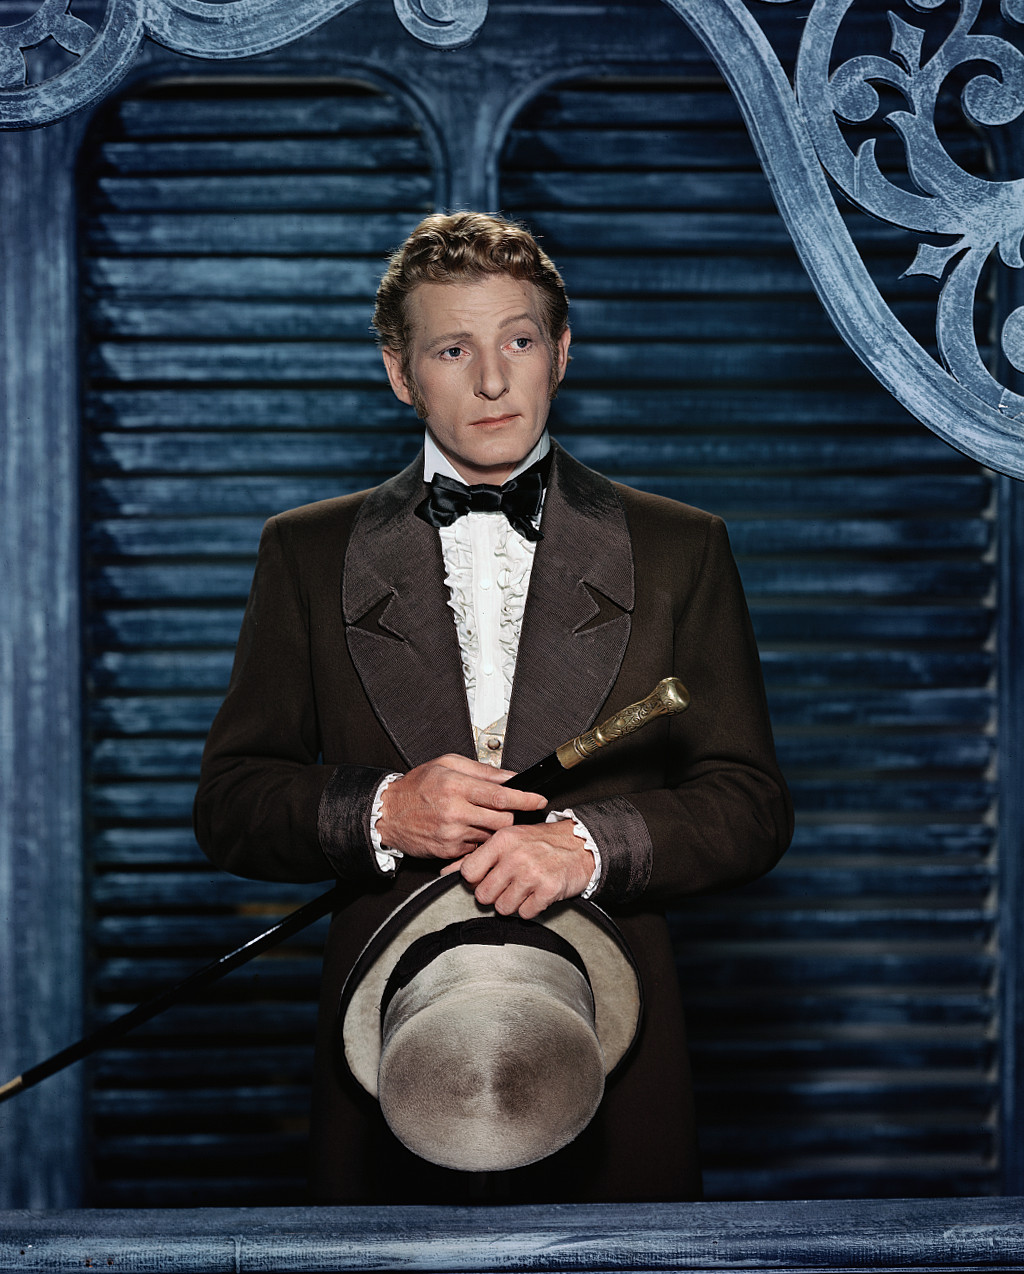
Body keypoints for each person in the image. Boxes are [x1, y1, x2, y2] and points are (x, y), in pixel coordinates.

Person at [193, 211, 793, 1204]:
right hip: (390, 1032)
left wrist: (587, 846)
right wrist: (384, 809)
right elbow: (230, 802)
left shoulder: (681, 546)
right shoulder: (304, 551)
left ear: (562, 352)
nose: (490, 380)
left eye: (518, 341)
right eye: (451, 349)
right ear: (399, 373)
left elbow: (751, 803)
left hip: (614, 1032)